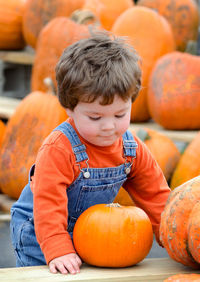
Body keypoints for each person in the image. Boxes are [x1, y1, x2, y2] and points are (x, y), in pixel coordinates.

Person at [10, 31, 170, 275]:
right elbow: (47, 204)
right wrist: (57, 247)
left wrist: (173, 236)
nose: (108, 126)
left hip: (90, 234)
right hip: (41, 232)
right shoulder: (60, 149)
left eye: (120, 114)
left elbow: (157, 197)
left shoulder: (131, 149)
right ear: (69, 108)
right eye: (95, 117)